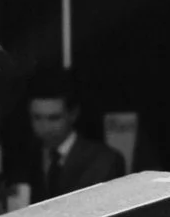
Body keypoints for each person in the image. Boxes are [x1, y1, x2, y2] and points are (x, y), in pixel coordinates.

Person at [25, 74, 127, 202]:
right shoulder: (26, 157)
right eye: (37, 118)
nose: (45, 127)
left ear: (73, 114)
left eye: (54, 118)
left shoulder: (104, 160)